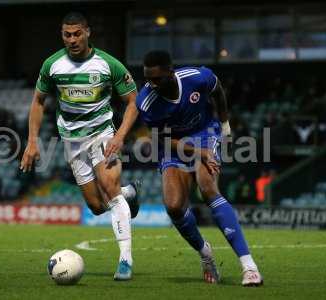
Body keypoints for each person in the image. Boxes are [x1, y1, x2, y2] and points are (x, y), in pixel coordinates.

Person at [20, 12, 140, 281]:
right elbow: (38, 102)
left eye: (77, 34)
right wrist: (32, 141)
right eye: (67, 35)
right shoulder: (52, 65)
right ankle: (129, 193)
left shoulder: (108, 64)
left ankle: (125, 260)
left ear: (87, 33)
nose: (72, 40)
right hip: (71, 141)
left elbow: (133, 102)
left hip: (103, 134)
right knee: (97, 207)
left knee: (109, 191)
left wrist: (119, 136)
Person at [136, 50, 263, 286]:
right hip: (172, 144)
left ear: (170, 73)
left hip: (204, 134)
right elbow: (160, 138)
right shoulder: (146, 101)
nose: (150, 84)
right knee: (174, 206)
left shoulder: (197, 77)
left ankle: (249, 266)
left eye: (156, 79)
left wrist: (225, 125)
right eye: (147, 79)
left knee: (208, 187)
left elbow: (218, 91)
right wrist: (198, 153)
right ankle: (205, 254)